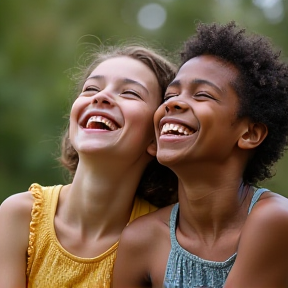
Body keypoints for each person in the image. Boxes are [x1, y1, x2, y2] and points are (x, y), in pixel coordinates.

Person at [112, 21, 288, 288]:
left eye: (203, 94)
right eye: (169, 95)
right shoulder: (140, 239)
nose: (173, 102)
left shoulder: (274, 220)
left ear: (249, 134)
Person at [0, 43, 178, 287]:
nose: (101, 96)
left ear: (156, 138)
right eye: (91, 88)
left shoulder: (164, 238)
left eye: (129, 93)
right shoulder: (19, 215)